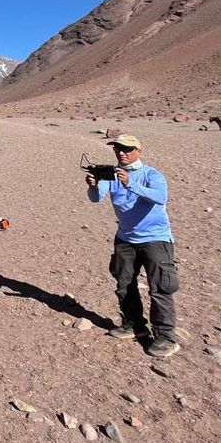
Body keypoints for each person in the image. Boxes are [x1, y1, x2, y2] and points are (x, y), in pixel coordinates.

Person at [86, 134, 181, 358]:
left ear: (138, 150)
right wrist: (93, 186)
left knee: (160, 288)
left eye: (127, 149)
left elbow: (160, 197)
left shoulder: (151, 174)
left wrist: (130, 183)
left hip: (155, 238)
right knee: (124, 283)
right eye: (118, 148)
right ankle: (134, 324)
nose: (121, 153)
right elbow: (95, 198)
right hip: (125, 238)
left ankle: (165, 336)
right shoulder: (111, 175)